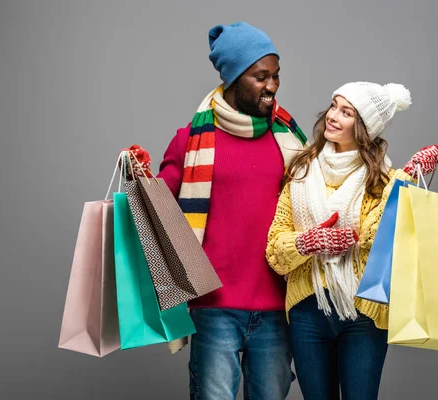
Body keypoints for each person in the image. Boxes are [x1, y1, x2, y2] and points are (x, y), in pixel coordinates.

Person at [125, 22, 307, 399]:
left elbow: (326, 192)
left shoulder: (290, 139)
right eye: (261, 76)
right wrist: (138, 174)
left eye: (276, 75)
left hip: (277, 307)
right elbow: (160, 206)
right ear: (235, 77)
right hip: (214, 308)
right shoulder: (192, 139)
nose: (272, 85)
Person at [265, 81, 438, 399]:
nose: (333, 116)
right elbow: (275, 251)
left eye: (346, 112)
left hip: (364, 314)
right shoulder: (300, 172)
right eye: (334, 106)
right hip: (307, 312)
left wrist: (408, 180)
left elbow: (379, 243)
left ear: (363, 127)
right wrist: (309, 243)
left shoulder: (385, 180)